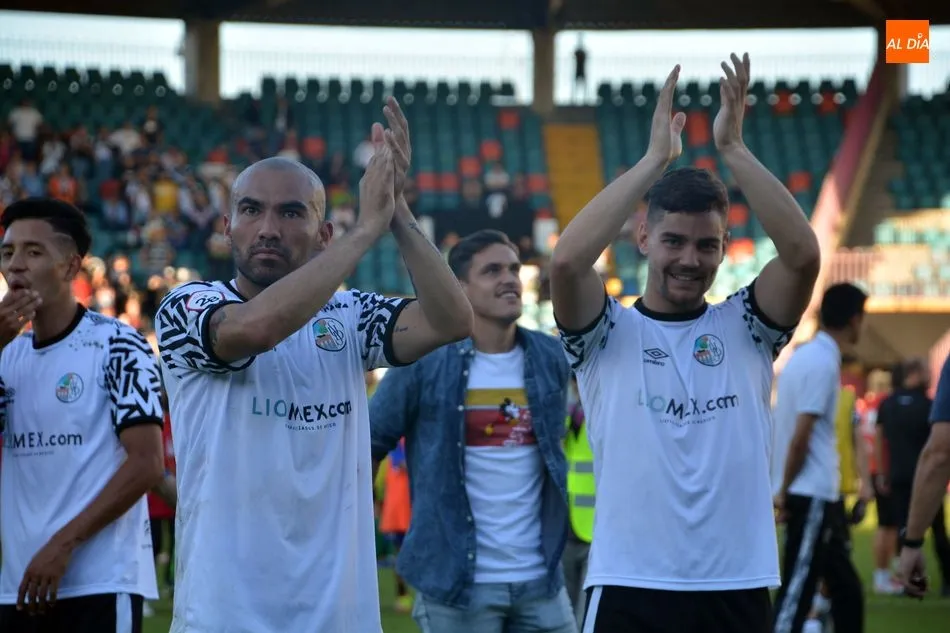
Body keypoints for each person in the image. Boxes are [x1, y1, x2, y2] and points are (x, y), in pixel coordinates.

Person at [154, 98, 473, 633]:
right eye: (252, 210)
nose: (269, 228)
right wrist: (363, 232)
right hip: (224, 614)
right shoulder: (187, 307)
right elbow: (253, 330)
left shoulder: (348, 316)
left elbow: (451, 319)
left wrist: (394, 210)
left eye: (292, 212)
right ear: (227, 227)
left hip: (339, 617)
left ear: (325, 235)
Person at [550, 54, 821, 633]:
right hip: (629, 584)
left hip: (737, 584)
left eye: (708, 245)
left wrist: (734, 148)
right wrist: (653, 163)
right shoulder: (606, 334)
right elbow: (569, 260)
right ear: (642, 236)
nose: (690, 260)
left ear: (725, 247)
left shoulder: (747, 327)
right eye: (673, 240)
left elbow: (802, 255)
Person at [370, 229, 575, 633]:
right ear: (459, 286)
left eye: (514, 269)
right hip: (457, 586)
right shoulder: (424, 359)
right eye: (492, 270)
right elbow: (370, 441)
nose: (510, 279)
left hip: (542, 582)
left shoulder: (550, 356)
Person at [0, 198, 166, 633]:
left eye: (33, 252)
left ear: (72, 267)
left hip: (98, 582)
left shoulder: (118, 345)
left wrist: (62, 545)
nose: (15, 265)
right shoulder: (6, 356)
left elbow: (147, 464)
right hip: (18, 584)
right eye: (7, 252)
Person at [771, 283, 869, 633]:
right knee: (798, 591)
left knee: (847, 590)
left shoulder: (808, 357)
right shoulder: (821, 362)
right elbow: (802, 435)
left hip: (817, 493)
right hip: (810, 492)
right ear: (855, 319)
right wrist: (783, 489)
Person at [877, 357, 950, 597]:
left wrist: (881, 472)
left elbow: (880, 440)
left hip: (898, 474)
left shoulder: (887, 404)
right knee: (938, 529)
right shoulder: (927, 404)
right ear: (915, 373)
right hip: (926, 477)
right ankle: (947, 580)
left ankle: (908, 580)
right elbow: (939, 449)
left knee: (903, 529)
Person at [563, 376, 594, 629]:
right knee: (564, 614)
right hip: (565, 527)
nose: (577, 387)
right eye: (574, 382)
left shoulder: (604, 417)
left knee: (586, 615)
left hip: (596, 530)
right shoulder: (568, 416)